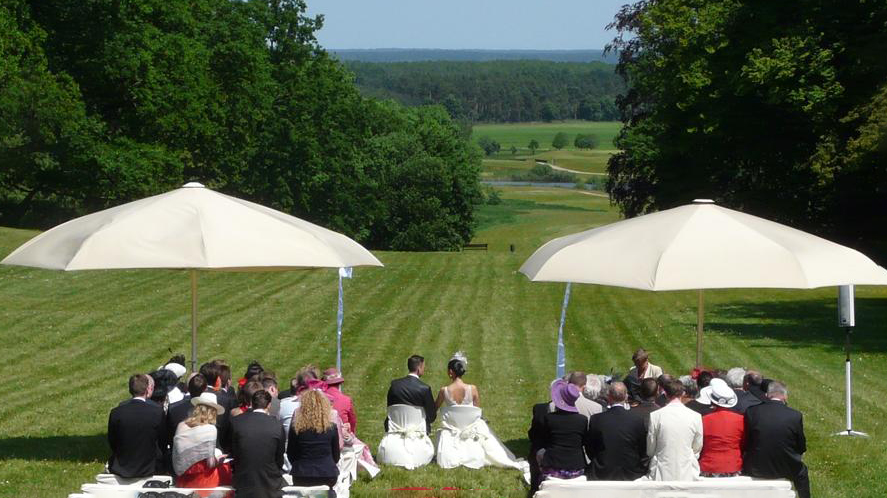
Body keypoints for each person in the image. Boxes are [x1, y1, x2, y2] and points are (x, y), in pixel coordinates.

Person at [743, 381, 809, 498]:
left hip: (755, 467)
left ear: (767, 395)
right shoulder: (795, 415)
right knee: (802, 472)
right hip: (786, 467)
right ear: (785, 396)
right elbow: (801, 446)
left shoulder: (752, 411)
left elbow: (747, 442)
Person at [587, 382, 648, 480]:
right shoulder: (637, 419)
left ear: (609, 397)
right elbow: (642, 449)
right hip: (629, 472)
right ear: (626, 397)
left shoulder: (596, 419)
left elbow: (590, 448)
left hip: (604, 471)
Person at [231, 390, 286, 498]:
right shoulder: (277, 425)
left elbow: (235, 451)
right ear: (269, 405)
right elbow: (279, 457)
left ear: (252, 403)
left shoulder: (236, 422)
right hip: (269, 481)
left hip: (245, 478)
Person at [531, 379, 590, 481]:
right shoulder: (582, 420)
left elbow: (542, 441)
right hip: (576, 468)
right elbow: (584, 442)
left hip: (552, 466)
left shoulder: (549, 418)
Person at [107, 374, 164, 478]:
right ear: (147, 389)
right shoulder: (157, 412)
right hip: (150, 467)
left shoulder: (116, 413)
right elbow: (162, 441)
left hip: (122, 467)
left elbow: (112, 441)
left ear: (130, 390)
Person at [646, 378, 703, 481]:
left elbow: (651, 447)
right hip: (685, 470)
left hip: (663, 470)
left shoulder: (655, 416)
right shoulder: (695, 416)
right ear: (683, 394)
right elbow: (697, 446)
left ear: (666, 394)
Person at [172, 393, 232, 488]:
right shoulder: (210, 429)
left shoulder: (181, 425)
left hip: (182, 477)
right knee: (225, 467)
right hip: (201, 480)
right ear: (213, 413)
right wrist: (219, 460)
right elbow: (210, 463)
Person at [287, 390, 341, 495]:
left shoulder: (296, 429)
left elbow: (291, 454)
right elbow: (336, 456)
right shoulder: (331, 428)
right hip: (327, 474)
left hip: (301, 475)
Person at [699, 380, 745, 477]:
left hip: (709, 466)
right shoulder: (740, 419)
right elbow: (743, 443)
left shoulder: (704, 419)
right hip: (733, 466)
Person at [164, 373, 207, 474]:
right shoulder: (209, 411)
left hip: (179, 456)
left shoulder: (173, 408)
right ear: (205, 389)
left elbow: (169, 436)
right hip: (200, 460)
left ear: (187, 388)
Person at [386, 354, 436, 433]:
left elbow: (390, 408)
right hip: (418, 432)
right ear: (419, 368)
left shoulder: (394, 386)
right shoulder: (425, 389)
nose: (424, 369)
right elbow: (431, 417)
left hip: (395, 429)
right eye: (423, 367)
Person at [324, 368, 357, 434]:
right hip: (342, 434)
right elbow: (352, 421)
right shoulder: (346, 399)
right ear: (339, 383)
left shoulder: (319, 398)